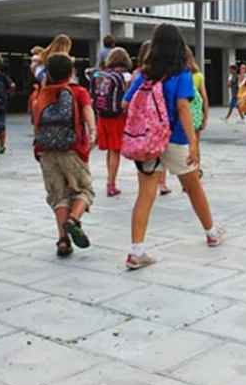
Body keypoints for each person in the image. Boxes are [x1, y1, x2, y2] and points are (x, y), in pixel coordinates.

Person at [123, 23, 224, 270]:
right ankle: (211, 233)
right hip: (175, 139)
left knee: (145, 195)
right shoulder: (182, 74)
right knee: (193, 187)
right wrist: (193, 143)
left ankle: (137, 251)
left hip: (148, 141)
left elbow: (126, 104)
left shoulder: (144, 75)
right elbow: (183, 107)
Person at [32, 53, 96, 257]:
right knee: (84, 191)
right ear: (71, 72)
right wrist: (92, 133)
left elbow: (35, 123)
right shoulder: (78, 91)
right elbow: (87, 114)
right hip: (71, 149)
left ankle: (63, 241)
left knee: (58, 196)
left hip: (46, 152)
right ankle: (74, 220)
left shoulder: (39, 94)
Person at [93, 47, 133, 197]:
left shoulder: (101, 75)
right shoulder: (126, 76)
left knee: (110, 151)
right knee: (115, 150)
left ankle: (110, 180)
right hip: (117, 117)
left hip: (103, 116)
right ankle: (111, 184)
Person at [134, 40, 170, 196]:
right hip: (158, 121)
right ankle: (162, 183)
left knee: (143, 154)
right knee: (161, 151)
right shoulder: (163, 75)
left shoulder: (138, 74)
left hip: (141, 123)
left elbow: (127, 101)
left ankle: (145, 183)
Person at [184, 46, 209, 171]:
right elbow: (204, 98)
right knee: (195, 143)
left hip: (183, 113)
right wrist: (206, 117)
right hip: (197, 114)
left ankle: (187, 169)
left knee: (182, 144)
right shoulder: (198, 75)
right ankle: (196, 168)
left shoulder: (179, 75)